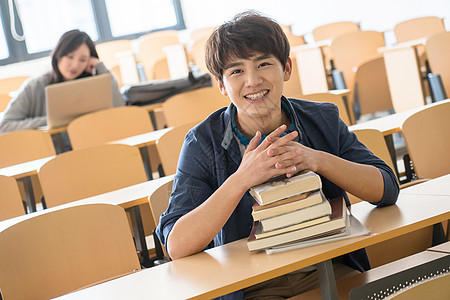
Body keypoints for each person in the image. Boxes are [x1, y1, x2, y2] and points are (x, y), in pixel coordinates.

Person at [156, 11, 399, 299]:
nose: (252, 80)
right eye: (236, 71)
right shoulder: (201, 142)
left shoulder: (322, 118)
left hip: (330, 268)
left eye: (263, 64)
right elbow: (177, 244)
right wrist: (242, 179)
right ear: (221, 85)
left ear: (286, 69)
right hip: (252, 285)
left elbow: (387, 189)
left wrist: (316, 159)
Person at [0, 29, 124, 133]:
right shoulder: (35, 86)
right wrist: (51, 121)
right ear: (58, 54)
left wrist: (101, 68)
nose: (75, 65)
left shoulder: (92, 83)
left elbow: (119, 109)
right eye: (70, 57)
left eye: (83, 60)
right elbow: (4, 126)